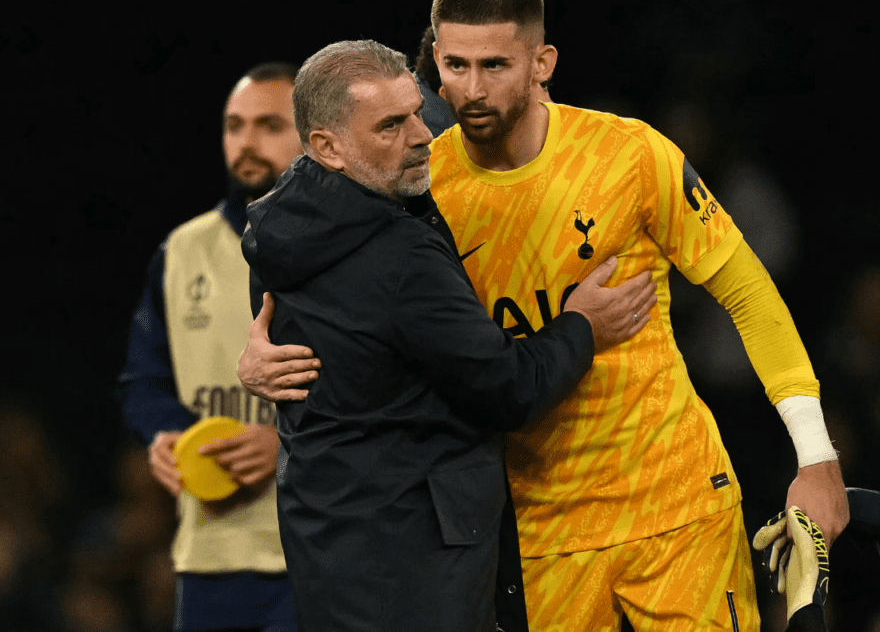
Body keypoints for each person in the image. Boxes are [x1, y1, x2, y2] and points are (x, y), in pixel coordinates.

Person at [240, 0, 850, 632]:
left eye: (496, 64)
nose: (471, 90)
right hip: (537, 533)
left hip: (675, 508)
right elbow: (299, 226)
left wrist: (815, 455)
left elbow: (747, 292)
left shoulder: (629, 154)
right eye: (455, 66)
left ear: (542, 62)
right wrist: (258, 350)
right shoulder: (420, 186)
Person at [240, 39, 657, 632]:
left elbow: (293, 331)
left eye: (416, 109)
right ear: (327, 146)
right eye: (392, 125)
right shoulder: (399, 258)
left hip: (328, 545)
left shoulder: (277, 222)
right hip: (418, 564)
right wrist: (585, 325)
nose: (421, 135)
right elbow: (509, 387)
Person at [116, 62, 305, 632]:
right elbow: (142, 380)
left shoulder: (348, 249)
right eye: (234, 125)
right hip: (209, 559)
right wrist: (164, 436)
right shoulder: (181, 252)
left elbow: (388, 393)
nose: (246, 143)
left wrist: (289, 444)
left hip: (316, 556)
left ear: (316, 135)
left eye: (270, 125)